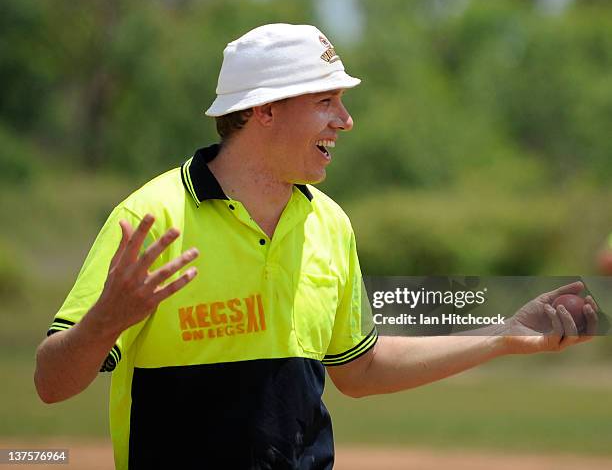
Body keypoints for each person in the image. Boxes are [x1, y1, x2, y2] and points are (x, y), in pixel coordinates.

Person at [34, 24, 599, 470]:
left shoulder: (330, 223)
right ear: (265, 110)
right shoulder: (150, 218)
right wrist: (106, 320)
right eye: (326, 100)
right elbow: (51, 384)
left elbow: (361, 368)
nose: (346, 121)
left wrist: (502, 335)